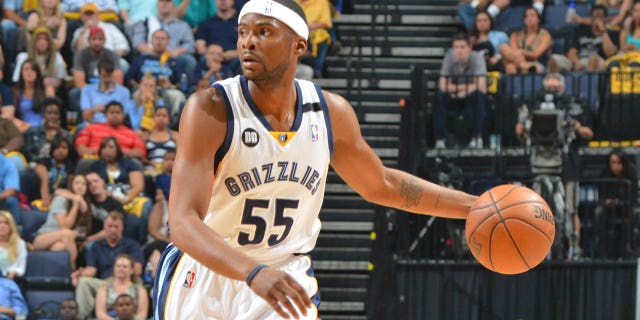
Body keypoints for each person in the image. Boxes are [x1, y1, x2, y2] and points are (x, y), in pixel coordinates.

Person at [152, 1, 478, 319]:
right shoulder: (211, 109)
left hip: (283, 268)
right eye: (243, 32)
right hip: (203, 270)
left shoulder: (329, 113)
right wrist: (252, 271)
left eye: (264, 32)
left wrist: (474, 207)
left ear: (299, 45)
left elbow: (383, 184)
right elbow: (182, 222)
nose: (248, 41)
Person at [515, 72, 594, 260]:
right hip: (540, 162)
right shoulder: (533, 106)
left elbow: (589, 133)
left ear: (563, 87)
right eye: (549, 86)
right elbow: (519, 132)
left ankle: (574, 248)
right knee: (539, 210)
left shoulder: (575, 106)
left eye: (556, 86)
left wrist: (575, 126)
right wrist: (525, 127)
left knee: (570, 208)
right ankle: (541, 249)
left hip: (568, 162)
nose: (552, 89)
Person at [72, 211, 144, 320]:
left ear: (122, 227)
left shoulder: (132, 245)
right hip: (104, 282)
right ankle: (81, 317)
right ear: (104, 227)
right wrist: (79, 274)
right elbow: (91, 269)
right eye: (110, 226)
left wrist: (123, 271)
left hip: (128, 280)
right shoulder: (96, 246)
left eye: (116, 226)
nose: (113, 229)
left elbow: (138, 269)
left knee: (139, 285)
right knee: (83, 282)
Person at [434, 32, 487, 149]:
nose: (459, 51)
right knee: (439, 96)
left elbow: (481, 85)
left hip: (471, 98)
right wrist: (464, 89)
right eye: (456, 47)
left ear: (469, 48)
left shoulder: (478, 58)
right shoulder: (449, 57)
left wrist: (455, 87)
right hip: (455, 97)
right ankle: (440, 139)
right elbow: (443, 85)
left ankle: (476, 137)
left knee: (478, 96)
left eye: (462, 47)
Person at [32, 174, 92, 270]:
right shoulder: (61, 200)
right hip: (43, 237)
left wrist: (76, 233)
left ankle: (56, 277)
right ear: (71, 185)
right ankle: (73, 270)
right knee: (66, 233)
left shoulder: (86, 206)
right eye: (76, 183)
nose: (80, 186)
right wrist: (75, 205)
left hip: (64, 242)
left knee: (59, 247)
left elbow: (84, 231)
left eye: (83, 184)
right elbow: (65, 225)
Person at [132, 0, 197, 80]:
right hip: (150, 55)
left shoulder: (183, 25)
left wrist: (176, 52)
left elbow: (190, 45)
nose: (164, 4)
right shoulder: (146, 22)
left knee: (189, 60)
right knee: (138, 59)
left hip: (174, 58)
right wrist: (152, 51)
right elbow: (137, 42)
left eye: (168, 1)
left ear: (173, 4)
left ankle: (188, 89)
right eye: (161, 1)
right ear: (157, 5)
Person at [547, 5, 618, 73]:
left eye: (600, 16)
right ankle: (551, 83)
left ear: (605, 18)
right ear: (590, 18)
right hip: (579, 61)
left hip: (600, 62)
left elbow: (610, 53)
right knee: (554, 59)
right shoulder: (580, 31)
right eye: (595, 16)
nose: (597, 19)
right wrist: (576, 62)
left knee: (594, 59)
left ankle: (590, 84)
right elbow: (572, 51)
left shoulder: (610, 33)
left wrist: (603, 32)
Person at [593, 148, 636, 259]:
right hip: (608, 207)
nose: (615, 166)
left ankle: (628, 249)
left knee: (634, 214)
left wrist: (620, 201)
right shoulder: (605, 174)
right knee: (598, 212)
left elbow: (633, 196)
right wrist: (606, 201)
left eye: (618, 163)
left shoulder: (630, 174)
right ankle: (602, 250)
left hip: (626, 206)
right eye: (613, 163)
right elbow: (602, 193)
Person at [12, 26, 67, 96]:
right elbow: (17, 80)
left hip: (49, 88)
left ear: (50, 42)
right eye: (39, 39)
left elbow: (61, 79)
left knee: (49, 88)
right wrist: (39, 81)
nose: (42, 42)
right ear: (33, 41)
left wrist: (50, 81)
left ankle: (50, 105)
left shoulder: (57, 57)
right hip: (28, 87)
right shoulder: (24, 57)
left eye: (46, 40)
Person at [94, 254, 148, 320]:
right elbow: (100, 313)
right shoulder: (104, 289)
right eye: (118, 266)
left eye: (124, 266)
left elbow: (142, 314)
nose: (121, 268)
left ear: (132, 270)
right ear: (114, 268)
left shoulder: (140, 290)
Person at [80, 58, 132, 124]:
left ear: (113, 73)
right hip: (93, 124)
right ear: (99, 74)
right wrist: (95, 110)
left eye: (109, 76)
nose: (107, 79)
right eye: (104, 76)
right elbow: (85, 116)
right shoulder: (87, 90)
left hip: (115, 125)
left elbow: (124, 116)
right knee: (81, 127)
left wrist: (111, 112)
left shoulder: (124, 91)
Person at [501, 7, 552, 74]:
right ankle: (524, 65)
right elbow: (514, 53)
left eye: (532, 15)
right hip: (519, 62)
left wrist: (522, 52)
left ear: (538, 19)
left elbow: (536, 54)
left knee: (532, 68)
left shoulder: (545, 35)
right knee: (503, 48)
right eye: (526, 16)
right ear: (524, 20)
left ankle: (524, 66)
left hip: (537, 63)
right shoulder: (516, 35)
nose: (529, 18)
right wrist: (522, 61)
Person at [6, 59, 48, 132]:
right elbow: (10, 115)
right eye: (26, 69)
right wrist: (23, 126)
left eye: (33, 69)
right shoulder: (14, 91)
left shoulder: (45, 90)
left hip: (43, 128)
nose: (29, 72)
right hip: (22, 129)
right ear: (21, 72)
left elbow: (51, 112)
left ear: (37, 73)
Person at [0, 211, 26, 280]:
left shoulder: (20, 243)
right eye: (0, 222)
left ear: (11, 226)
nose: (2, 226)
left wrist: (15, 272)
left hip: (11, 279)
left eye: (6, 223)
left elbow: (21, 268)